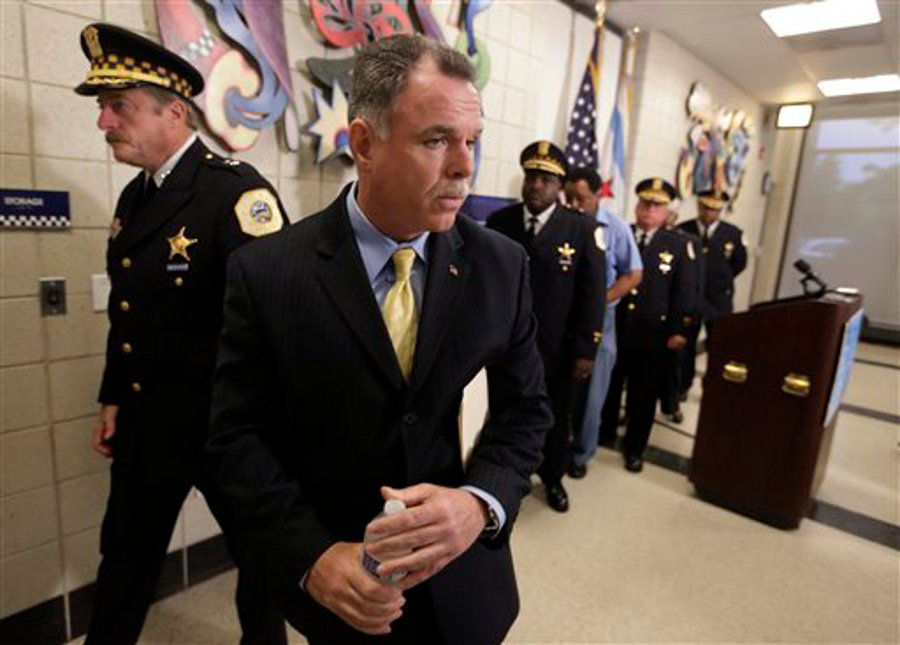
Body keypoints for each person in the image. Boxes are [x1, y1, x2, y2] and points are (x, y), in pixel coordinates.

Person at [205, 34, 552, 644]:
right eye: (437, 139)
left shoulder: (503, 266)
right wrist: (311, 557)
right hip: (343, 595)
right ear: (364, 143)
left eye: (472, 140)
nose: (465, 166)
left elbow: (525, 412)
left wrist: (479, 504)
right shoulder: (269, 273)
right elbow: (238, 438)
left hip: (467, 587)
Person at [76, 23, 288, 644]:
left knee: (260, 555)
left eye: (119, 108)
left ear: (174, 111)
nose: (104, 123)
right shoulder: (133, 200)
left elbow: (277, 322)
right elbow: (130, 313)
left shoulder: (236, 193)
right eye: (102, 109)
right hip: (149, 420)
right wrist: (115, 396)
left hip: (224, 425)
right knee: (126, 555)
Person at [486, 142, 606, 512]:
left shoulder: (584, 229)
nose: (536, 185)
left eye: (546, 179)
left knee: (554, 418)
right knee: (502, 413)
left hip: (558, 349)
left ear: (560, 186)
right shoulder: (500, 223)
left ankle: (552, 478)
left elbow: (592, 296)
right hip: (503, 347)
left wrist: (587, 350)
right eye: (531, 177)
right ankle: (499, 480)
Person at [598, 178, 697, 472]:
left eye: (657, 205)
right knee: (610, 387)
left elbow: (684, 290)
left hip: (653, 334)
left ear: (667, 211)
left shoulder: (678, 244)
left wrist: (679, 330)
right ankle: (604, 434)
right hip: (618, 326)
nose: (649, 210)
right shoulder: (620, 233)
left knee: (643, 395)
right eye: (645, 203)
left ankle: (635, 449)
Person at [564, 167, 643, 477]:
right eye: (569, 197)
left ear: (598, 195)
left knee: (593, 392)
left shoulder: (616, 228)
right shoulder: (564, 222)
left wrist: (602, 300)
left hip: (601, 317)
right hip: (564, 314)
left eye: (581, 198)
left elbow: (633, 272)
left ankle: (581, 454)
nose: (574, 205)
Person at [676, 190, 748, 400]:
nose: (710, 213)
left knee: (719, 345)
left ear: (721, 211)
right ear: (699, 206)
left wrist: (720, 282)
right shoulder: (683, 230)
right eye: (706, 207)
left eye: (715, 209)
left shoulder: (733, 234)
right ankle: (682, 385)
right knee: (686, 344)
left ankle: (712, 386)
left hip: (718, 300)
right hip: (689, 296)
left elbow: (739, 264)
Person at [660, 207, 704, 424]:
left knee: (673, 365)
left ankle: (671, 403)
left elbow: (694, 282)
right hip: (651, 315)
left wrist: (686, 319)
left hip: (676, 314)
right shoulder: (648, 238)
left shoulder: (687, 241)